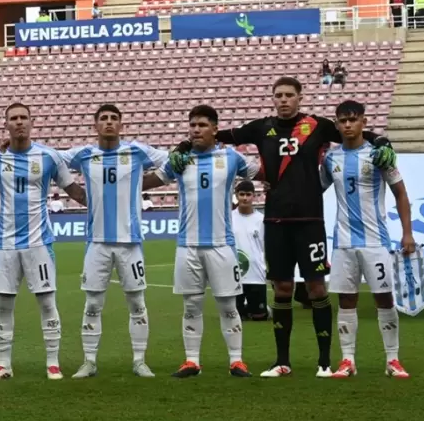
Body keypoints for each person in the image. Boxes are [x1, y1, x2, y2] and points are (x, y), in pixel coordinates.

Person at [166, 77, 396, 378]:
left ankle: (325, 362)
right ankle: (282, 361)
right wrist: (184, 144)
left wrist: (382, 141)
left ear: (300, 97)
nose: (284, 100)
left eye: (289, 95)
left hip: (310, 220)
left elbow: (353, 132)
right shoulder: (260, 127)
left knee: (316, 288)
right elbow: (214, 134)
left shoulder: (318, 125)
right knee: (282, 288)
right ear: (272, 98)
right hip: (274, 220)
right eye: (278, 95)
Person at [146, 105, 257, 378]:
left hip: (222, 245)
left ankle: (236, 361)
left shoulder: (231, 158)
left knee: (228, 305)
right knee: (191, 306)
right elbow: (150, 181)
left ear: (215, 129)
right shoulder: (180, 160)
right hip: (188, 245)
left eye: (202, 125)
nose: (196, 129)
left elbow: (262, 172)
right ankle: (192, 361)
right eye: (192, 125)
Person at [0, 103, 87, 380]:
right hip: (5, 243)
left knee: (47, 302)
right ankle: (4, 364)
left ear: (31, 122)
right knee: (4, 304)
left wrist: (101, 201)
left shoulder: (48, 157)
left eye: (23, 118)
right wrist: (2, 198)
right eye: (13, 118)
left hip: (39, 242)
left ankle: (52, 363)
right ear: (6, 124)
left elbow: (73, 189)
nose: (18, 123)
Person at [62, 104, 168, 379]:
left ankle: (139, 360)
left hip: (130, 242)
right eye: (103, 119)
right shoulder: (84, 154)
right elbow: (49, 158)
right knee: (93, 304)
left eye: (114, 119)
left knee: (137, 303)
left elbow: (172, 162)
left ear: (121, 124)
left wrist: (142, 182)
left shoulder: (137, 151)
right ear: (95, 125)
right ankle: (89, 362)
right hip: (96, 242)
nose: (109, 123)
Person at [321, 101, 413, 379]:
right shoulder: (330, 159)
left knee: (384, 298)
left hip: (375, 241)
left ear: (364, 121)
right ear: (336, 125)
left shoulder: (380, 154)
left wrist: (407, 233)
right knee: (346, 300)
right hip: (343, 243)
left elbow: (400, 194)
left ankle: (393, 359)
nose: (348, 125)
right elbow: (313, 190)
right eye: (342, 120)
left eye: (353, 119)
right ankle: (348, 360)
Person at [231, 180, 269, 321]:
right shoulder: (229, 218)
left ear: (254, 196)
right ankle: (245, 305)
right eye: (241, 194)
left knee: (259, 317)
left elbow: (266, 247)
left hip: (256, 274)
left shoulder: (261, 220)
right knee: (235, 317)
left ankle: (260, 307)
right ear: (236, 195)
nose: (245, 198)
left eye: (248, 194)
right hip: (234, 275)